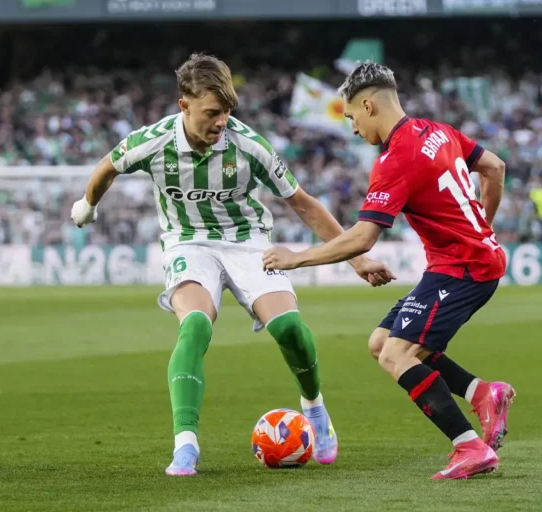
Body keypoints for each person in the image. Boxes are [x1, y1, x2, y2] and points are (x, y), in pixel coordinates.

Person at [69, 54, 394, 476]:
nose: (221, 121)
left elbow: (303, 204)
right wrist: (87, 205)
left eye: (226, 111)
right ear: (184, 105)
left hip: (248, 243)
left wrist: (357, 260)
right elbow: (105, 169)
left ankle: (314, 407)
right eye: (211, 112)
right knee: (196, 325)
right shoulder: (151, 142)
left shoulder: (249, 145)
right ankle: (185, 444)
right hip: (188, 243)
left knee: (289, 327)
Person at [262, 62, 515, 480]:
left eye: (351, 118)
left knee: (398, 354)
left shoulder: (396, 158)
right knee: (382, 343)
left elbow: (363, 237)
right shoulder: (438, 130)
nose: (353, 129)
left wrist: (297, 258)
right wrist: (482, 227)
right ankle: (482, 392)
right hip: (467, 260)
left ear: (368, 105)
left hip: (463, 268)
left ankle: (469, 447)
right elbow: (496, 168)